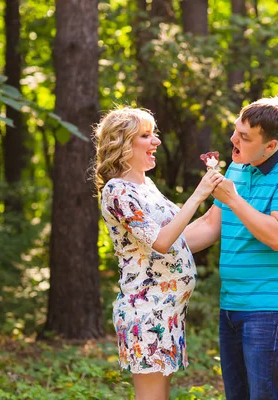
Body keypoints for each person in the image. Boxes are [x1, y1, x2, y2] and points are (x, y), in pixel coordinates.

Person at [184, 97, 278, 400]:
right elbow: (210, 225)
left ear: (269, 146)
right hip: (231, 306)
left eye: (244, 137)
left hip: (268, 309)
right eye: (235, 131)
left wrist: (234, 200)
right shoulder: (236, 171)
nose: (233, 140)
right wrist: (156, 247)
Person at [93, 107, 223, 400]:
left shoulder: (146, 187)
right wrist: (199, 194)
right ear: (123, 143)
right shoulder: (118, 191)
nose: (157, 142)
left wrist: (229, 190)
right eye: (146, 135)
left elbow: (193, 234)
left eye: (154, 134)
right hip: (146, 311)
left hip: (168, 310)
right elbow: (162, 242)